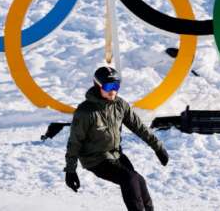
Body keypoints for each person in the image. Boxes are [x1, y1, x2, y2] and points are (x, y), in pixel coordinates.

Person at [64, 66, 169, 211]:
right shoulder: (85, 112)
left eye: (116, 86)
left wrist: (157, 147)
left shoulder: (120, 105)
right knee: (129, 179)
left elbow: (139, 127)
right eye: (108, 86)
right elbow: (74, 142)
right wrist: (70, 170)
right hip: (95, 159)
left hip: (116, 155)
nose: (113, 91)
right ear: (98, 86)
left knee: (139, 181)